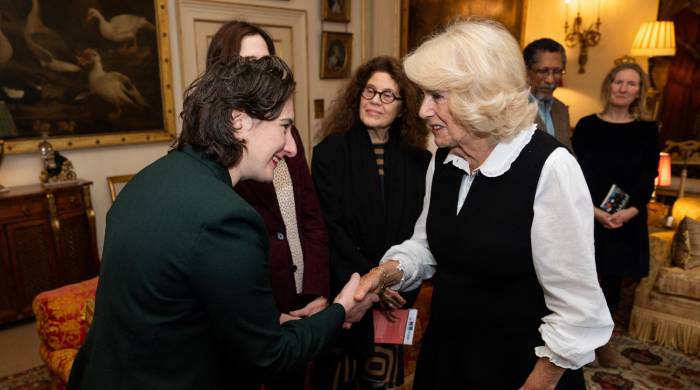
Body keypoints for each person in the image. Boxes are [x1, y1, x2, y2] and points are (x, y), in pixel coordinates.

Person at [66, 56, 377, 390]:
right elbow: (270, 359)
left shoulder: (147, 180)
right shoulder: (227, 218)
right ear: (239, 121)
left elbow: (177, 306)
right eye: (285, 127)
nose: (291, 147)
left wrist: (266, 322)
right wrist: (341, 310)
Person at [354, 19, 614, 389]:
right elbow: (427, 245)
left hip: (521, 369)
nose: (424, 110)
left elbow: (578, 311)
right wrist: (383, 274)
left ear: (482, 95)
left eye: (437, 96)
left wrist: (536, 384)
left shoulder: (550, 168)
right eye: (424, 95)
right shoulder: (443, 158)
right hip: (447, 360)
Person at [206, 19, 331, 390]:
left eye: (267, 63)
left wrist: (318, 289)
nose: (262, 76)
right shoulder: (213, 156)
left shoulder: (287, 138)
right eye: (249, 64)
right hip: (255, 310)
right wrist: (264, 316)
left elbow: (311, 217)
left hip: (300, 295)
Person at [312, 56, 430, 389]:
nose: (375, 101)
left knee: (379, 384)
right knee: (340, 380)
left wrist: (392, 282)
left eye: (387, 95)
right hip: (347, 290)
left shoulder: (420, 161)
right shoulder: (330, 153)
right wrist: (371, 283)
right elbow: (330, 228)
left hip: (396, 294)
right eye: (370, 91)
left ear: (404, 106)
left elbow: (420, 233)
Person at [572, 62, 659, 368]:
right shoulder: (586, 126)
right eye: (618, 81)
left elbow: (649, 177)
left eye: (631, 84)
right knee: (581, 280)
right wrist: (595, 212)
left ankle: (601, 343)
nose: (623, 88)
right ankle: (576, 339)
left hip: (627, 221)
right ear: (608, 85)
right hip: (587, 216)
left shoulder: (648, 130)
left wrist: (629, 212)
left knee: (611, 284)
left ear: (639, 92)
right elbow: (576, 175)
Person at [523, 38, 572, 148]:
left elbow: (567, 151)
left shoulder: (561, 109)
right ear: (526, 71)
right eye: (543, 71)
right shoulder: (510, 107)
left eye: (557, 72)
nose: (550, 80)